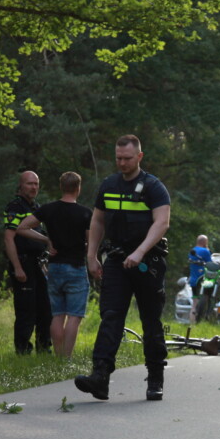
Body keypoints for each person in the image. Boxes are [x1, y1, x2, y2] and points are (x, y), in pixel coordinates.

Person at [74, 135, 172, 401]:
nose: (122, 163)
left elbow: (162, 223)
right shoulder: (109, 185)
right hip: (117, 261)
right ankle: (100, 377)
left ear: (139, 157)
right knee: (111, 317)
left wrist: (140, 252)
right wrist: (91, 256)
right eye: (118, 158)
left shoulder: (153, 186)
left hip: (147, 262)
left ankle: (155, 379)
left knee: (150, 321)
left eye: (127, 158)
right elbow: (97, 221)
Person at [16, 171, 92, 358]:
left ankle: (58, 357)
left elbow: (22, 227)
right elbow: (91, 244)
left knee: (57, 315)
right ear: (78, 188)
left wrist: (46, 240)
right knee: (74, 316)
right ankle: (67, 357)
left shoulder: (48, 209)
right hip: (76, 268)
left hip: (55, 268)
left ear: (61, 187)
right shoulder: (85, 213)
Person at [3, 170, 52, 354]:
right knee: (26, 311)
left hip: (40, 264)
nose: (33, 187)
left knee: (45, 308)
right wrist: (17, 267)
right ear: (21, 185)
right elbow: (9, 239)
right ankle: (23, 350)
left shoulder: (36, 207)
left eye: (36, 184)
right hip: (23, 263)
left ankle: (44, 347)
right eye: (30, 184)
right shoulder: (15, 207)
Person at [188, 234, 213, 322]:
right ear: (205, 242)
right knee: (207, 299)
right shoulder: (205, 251)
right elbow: (210, 264)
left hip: (193, 281)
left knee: (194, 303)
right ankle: (205, 319)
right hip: (203, 280)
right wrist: (207, 249)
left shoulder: (192, 251)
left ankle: (192, 324)